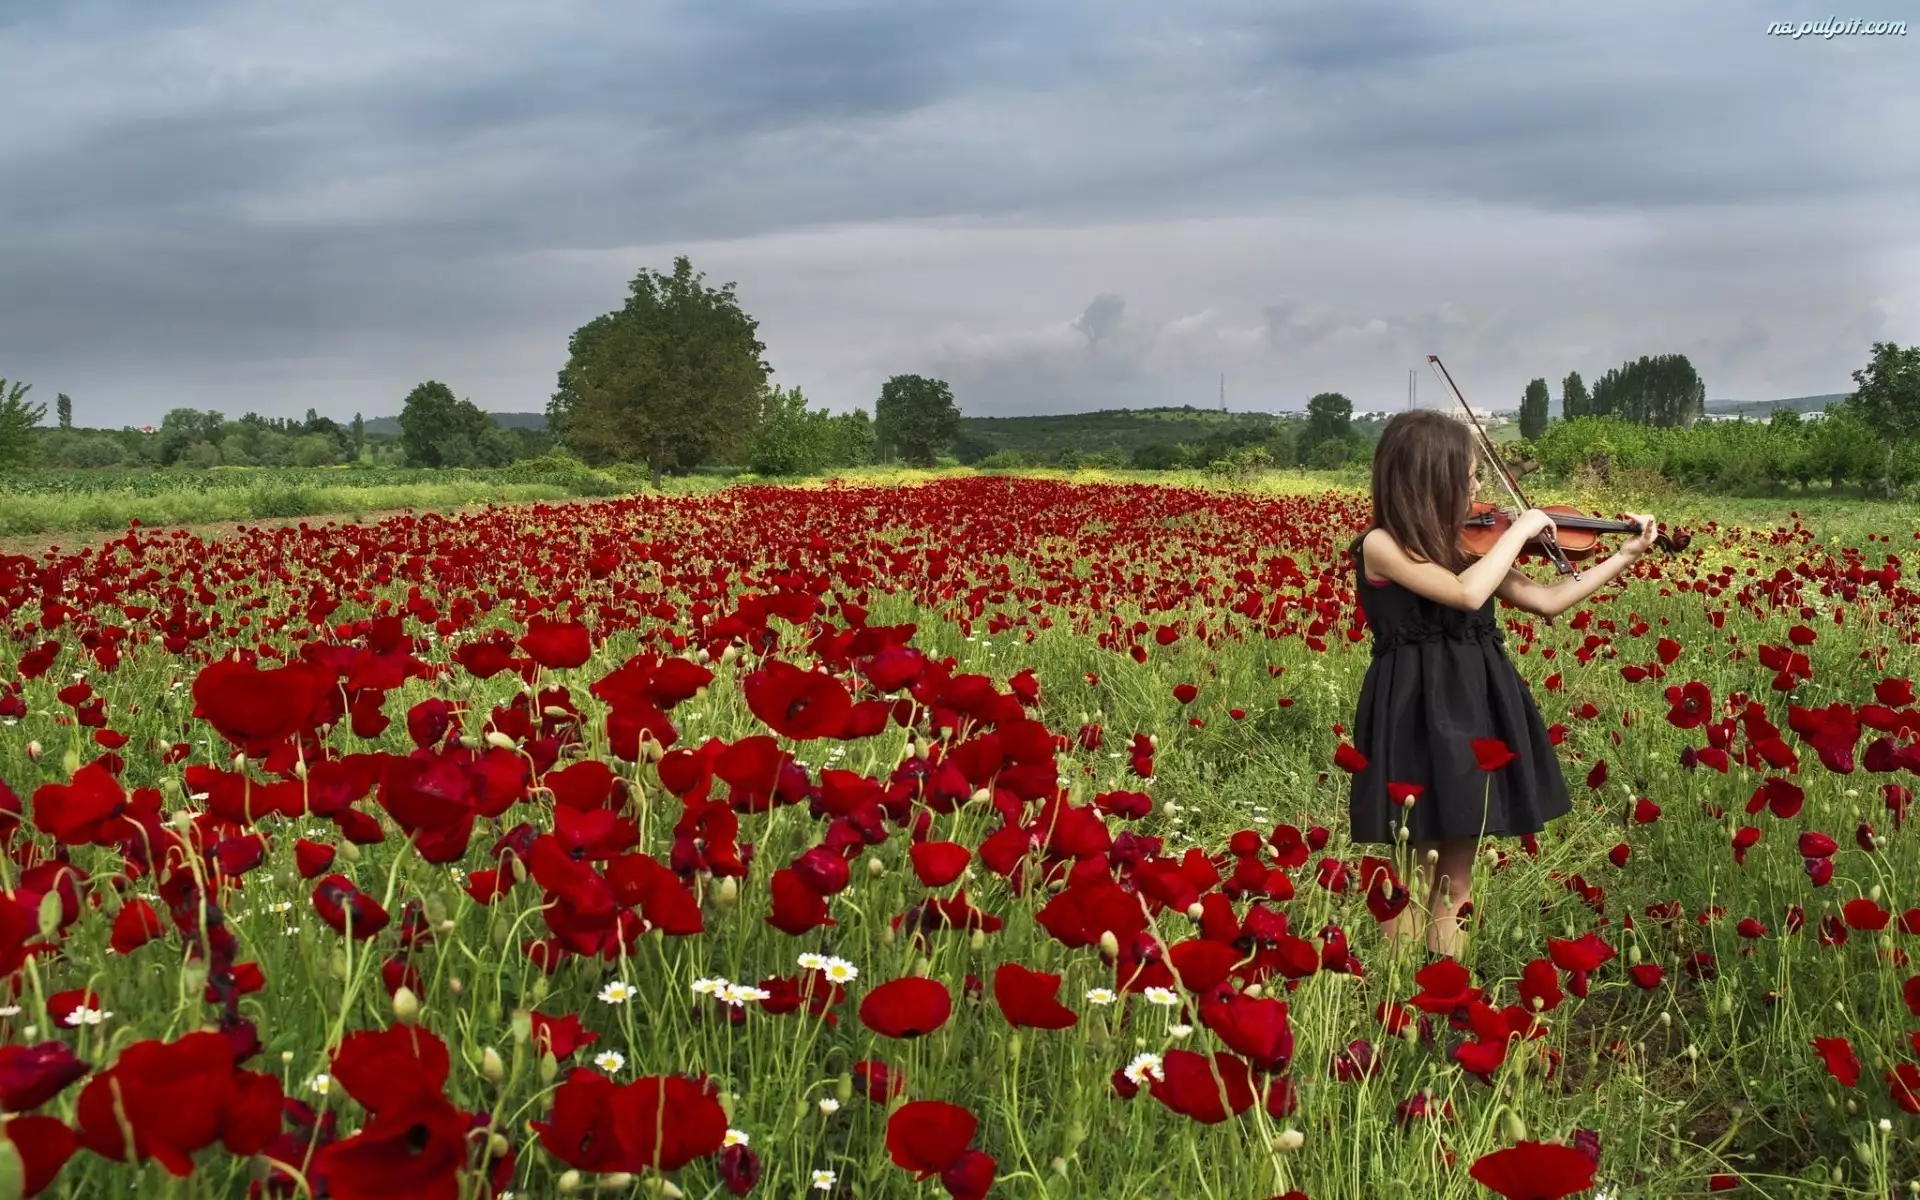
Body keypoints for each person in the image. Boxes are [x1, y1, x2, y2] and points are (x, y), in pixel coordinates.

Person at [1348, 410, 1658, 959]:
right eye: (1469, 477)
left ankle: (1444, 988)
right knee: (1414, 873)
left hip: (1474, 705)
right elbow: (1466, 594)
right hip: (1412, 713)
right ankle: (1397, 993)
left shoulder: (1467, 545)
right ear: (1431, 476)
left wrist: (1624, 555)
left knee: (1457, 876)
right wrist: (1518, 530)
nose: (1477, 490)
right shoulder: (1382, 545)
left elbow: (1547, 600)